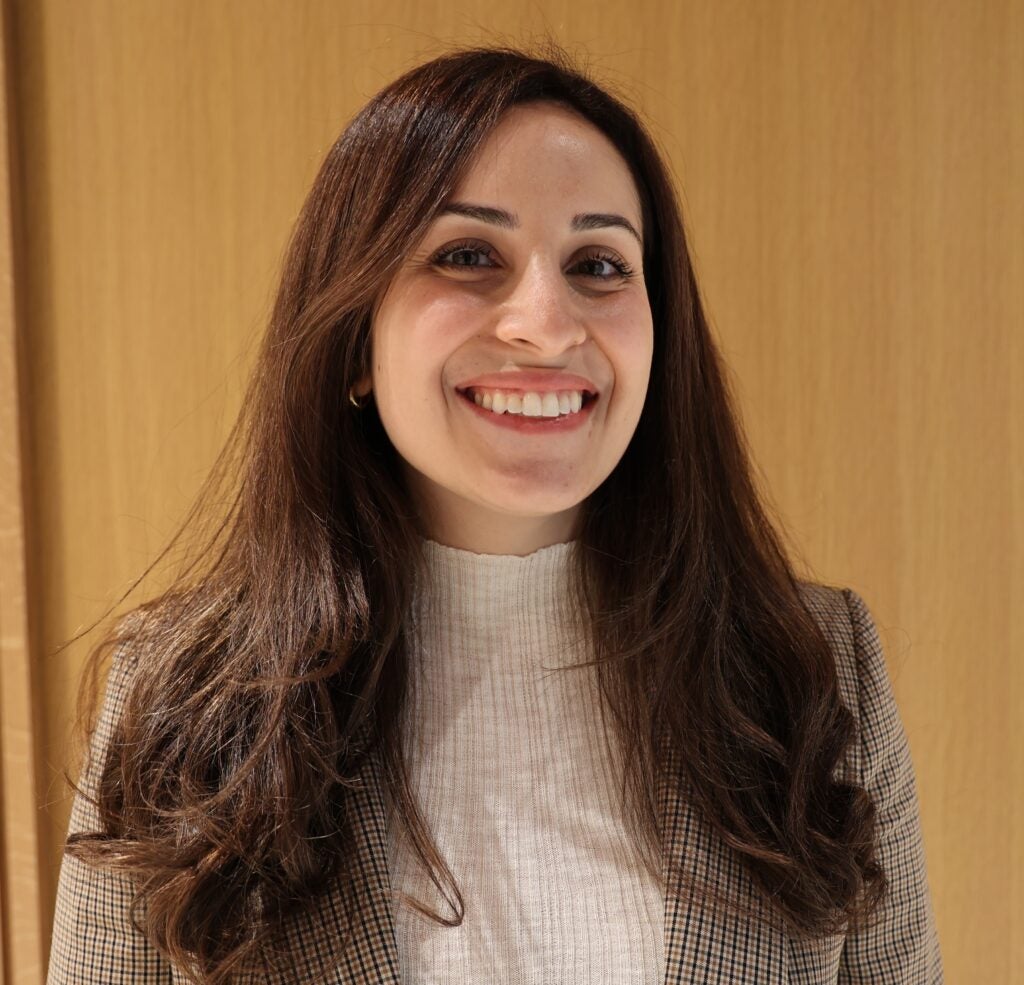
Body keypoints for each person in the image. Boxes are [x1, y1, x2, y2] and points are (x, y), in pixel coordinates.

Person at [47, 41, 943, 985]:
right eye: (468, 255)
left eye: (599, 263)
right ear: (355, 338)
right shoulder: (189, 701)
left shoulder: (813, 671)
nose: (547, 322)